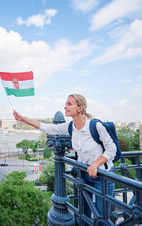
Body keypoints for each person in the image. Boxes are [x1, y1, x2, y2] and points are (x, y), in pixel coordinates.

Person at [13, 94, 116, 222]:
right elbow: (47, 127)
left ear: (80, 108)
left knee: (102, 217)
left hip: (102, 176)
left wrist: (95, 164)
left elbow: (112, 149)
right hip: (84, 175)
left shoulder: (95, 126)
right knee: (84, 215)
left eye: (69, 104)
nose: (65, 106)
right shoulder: (70, 126)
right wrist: (23, 119)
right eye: (66, 103)